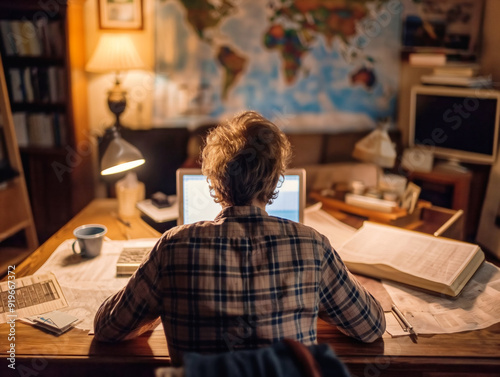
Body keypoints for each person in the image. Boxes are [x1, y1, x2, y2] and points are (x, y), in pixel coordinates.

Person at [94, 111, 386, 365]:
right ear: (275, 180)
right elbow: (371, 327)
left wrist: (156, 307)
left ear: (214, 180)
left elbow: (108, 328)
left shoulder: (172, 246)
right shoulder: (313, 246)